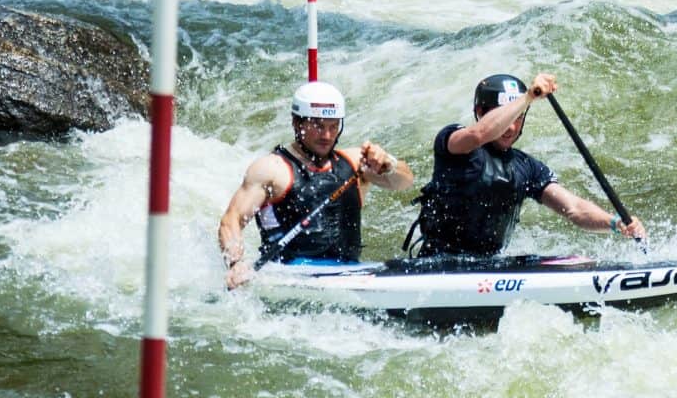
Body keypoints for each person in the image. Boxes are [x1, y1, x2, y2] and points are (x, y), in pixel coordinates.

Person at [405, 72, 645, 257]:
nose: (511, 127)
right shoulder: (455, 144)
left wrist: (614, 224)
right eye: (507, 116)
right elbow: (480, 134)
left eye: (519, 117)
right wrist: (528, 97)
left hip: (490, 266)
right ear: (480, 111)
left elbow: (574, 208)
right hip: (438, 262)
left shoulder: (527, 167)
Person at [219, 81, 413, 289]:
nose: (327, 136)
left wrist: (387, 164)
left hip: (350, 271)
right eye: (318, 126)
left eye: (333, 126)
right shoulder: (272, 169)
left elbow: (404, 183)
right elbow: (232, 220)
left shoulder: (357, 162)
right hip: (291, 274)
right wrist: (236, 263)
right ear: (297, 123)